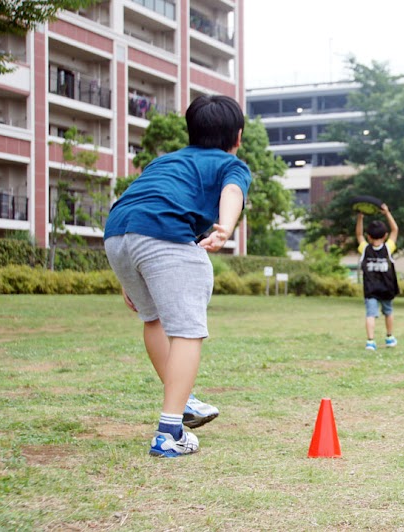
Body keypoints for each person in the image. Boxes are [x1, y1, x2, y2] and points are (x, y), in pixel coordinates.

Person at [103, 95, 251, 458]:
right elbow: (233, 192)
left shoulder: (165, 160)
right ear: (238, 136)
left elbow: (140, 202)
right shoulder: (231, 164)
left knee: (152, 318)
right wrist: (225, 228)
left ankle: (184, 401)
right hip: (165, 235)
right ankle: (170, 432)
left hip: (117, 232)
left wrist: (129, 271)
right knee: (187, 330)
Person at [356, 204, 400, 351]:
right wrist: (387, 213)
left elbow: (358, 235)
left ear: (368, 236)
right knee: (388, 312)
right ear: (385, 235)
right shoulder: (388, 248)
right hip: (387, 288)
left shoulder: (364, 249)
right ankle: (389, 337)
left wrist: (360, 218)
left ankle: (370, 341)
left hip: (370, 289)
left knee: (370, 315)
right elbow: (395, 230)